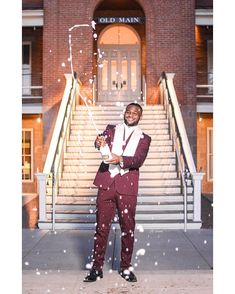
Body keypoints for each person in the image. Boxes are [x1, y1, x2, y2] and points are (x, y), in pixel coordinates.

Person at [84, 103, 151, 282]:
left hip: (127, 187)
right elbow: (100, 142)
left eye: (135, 113)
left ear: (139, 116)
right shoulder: (111, 129)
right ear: (124, 113)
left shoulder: (144, 138)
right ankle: (96, 268)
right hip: (107, 183)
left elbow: (138, 160)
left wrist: (120, 159)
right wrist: (98, 142)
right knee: (101, 228)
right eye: (128, 112)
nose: (130, 115)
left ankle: (125, 267)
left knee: (127, 229)